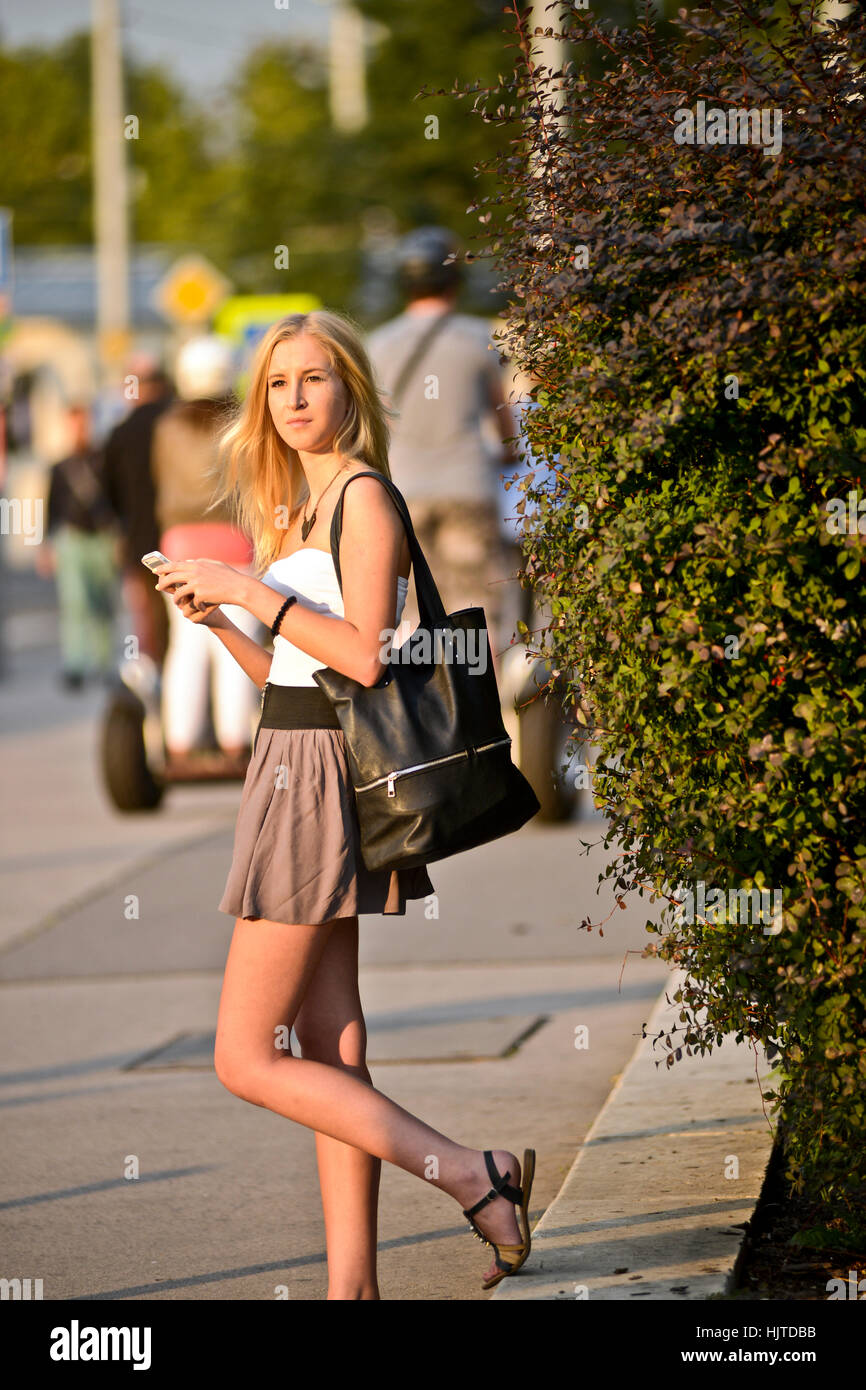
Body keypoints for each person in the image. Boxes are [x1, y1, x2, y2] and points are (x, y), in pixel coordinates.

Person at [154, 310, 535, 1299]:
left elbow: (365, 653)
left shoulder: (363, 499)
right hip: (290, 754)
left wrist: (247, 582)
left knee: (244, 1054)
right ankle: (350, 1288)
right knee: (329, 1044)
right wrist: (224, 621)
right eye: (277, 384)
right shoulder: (295, 507)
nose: (293, 401)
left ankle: (468, 1171)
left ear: (349, 390)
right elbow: (294, 671)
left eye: (313, 379)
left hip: (322, 775)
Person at [366, 226, 523, 664]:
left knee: (414, 609)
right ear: (454, 281)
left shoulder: (377, 344)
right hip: (466, 487)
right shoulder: (481, 338)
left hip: (403, 494)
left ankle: (429, 710)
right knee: (475, 607)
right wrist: (510, 453)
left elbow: (374, 421)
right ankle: (482, 713)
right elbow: (503, 420)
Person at [151, 335, 261, 769]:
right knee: (235, 641)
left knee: (186, 646)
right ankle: (235, 743)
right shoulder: (240, 424)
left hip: (179, 543)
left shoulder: (166, 426)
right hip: (233, 540)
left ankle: (179, 745)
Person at [41, 403, 119, 690]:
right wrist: (47, 546)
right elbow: (52, 507)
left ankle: (105, 663)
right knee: (74, 604)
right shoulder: (60, 466)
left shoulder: (104, 460)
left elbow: (116, 499)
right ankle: (76, 663)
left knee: (103, 604)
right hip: (71, 540)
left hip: (101, 539)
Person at [102, 355, 174, 666]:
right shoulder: (176, 421)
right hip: (179, 535)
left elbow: (108, 493)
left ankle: (153, 688)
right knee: (187, 621)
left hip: (139, 541)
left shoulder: (121, 432)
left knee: (146, 622)